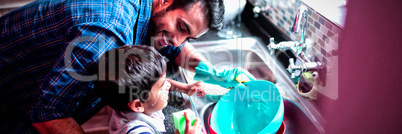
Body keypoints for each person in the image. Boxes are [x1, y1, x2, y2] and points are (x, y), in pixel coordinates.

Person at [0, 0, 254, 133]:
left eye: (189, 37)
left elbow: (171, 45)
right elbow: (49, 114)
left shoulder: (149, 10)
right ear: (166, 0)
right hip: (12, 96)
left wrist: (209, 69)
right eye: (182, 27)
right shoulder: (106, 34)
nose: (178, 41)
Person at [96, 45, 202, 134]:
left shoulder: (130, 99)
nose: (168, 86)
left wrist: (185, 88)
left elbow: (155, 84)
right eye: (162, 86)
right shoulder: (137, 130)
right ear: (138, 105)